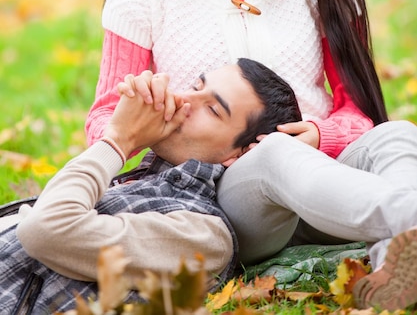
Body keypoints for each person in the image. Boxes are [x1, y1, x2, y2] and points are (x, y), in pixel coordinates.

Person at [84, 0, 417, 312]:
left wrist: (323, 135)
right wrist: (141, 119)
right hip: (224, 199)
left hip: (327, 184)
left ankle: (394, 261)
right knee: (275, 157)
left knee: (400, 136)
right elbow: (104, 121)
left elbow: (361, 112)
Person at [0, 58, 301, 315]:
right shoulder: (144, 181)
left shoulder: (204, 237)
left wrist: (119, 140)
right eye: (196, 87)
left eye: (212, 110)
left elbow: (44, 229)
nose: (184, 101)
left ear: (243, 153)